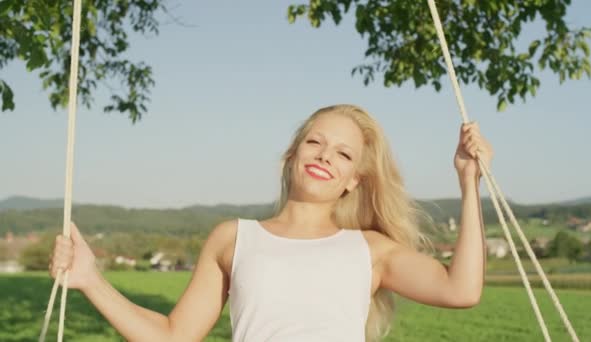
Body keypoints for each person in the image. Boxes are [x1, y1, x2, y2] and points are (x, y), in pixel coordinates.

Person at [49, 104, 493, 341]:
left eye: (343, 153)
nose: (324, 155)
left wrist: (469, 181)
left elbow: (462, 290)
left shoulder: (372, 249)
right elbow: (173, 337)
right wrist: (91, 280)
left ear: (353, 180)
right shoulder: (233, 238)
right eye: (314, 142)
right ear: (292, 155)